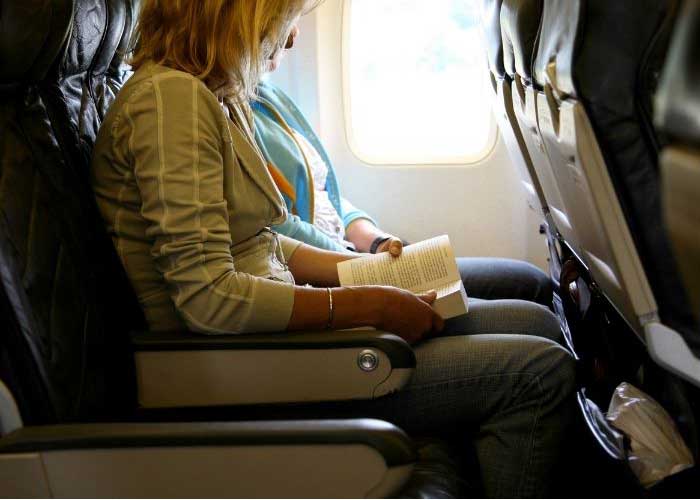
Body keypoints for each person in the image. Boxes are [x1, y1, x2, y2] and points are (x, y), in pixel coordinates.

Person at [91, 1, 576, 496]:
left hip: (275, 344)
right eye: (285, 19)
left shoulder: (207, 95)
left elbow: (260, 243)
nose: (293, 38)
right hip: (250, 371)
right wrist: (365, 305)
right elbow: (209, 298)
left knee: (537, 322)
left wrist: (367, 272)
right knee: (539, 374)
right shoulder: (170, 103)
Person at [254, 23, 552, 308]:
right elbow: (277, 226)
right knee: (531, 302)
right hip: (325, 275)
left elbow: (326, 198)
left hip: (349, 256)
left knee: (531, 282)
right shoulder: (232, 118)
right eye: (286, 20)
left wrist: (374, 241)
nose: (293, 36)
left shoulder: (268, 95)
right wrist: (367, 268)